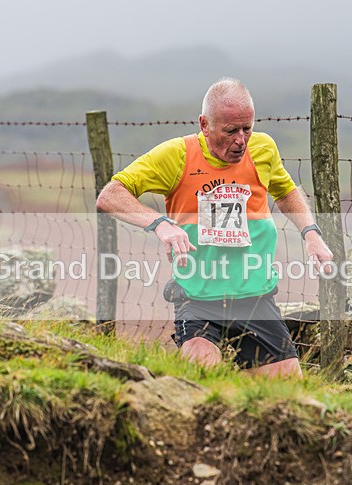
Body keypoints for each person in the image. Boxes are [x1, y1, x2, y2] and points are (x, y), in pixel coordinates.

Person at [96, 77, 333, 379]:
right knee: (200, 378)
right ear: (205, 125)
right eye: (231, 131)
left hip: (256, 298)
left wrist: (311, 234)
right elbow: (110, 196)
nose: (241, 140)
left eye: (247, 128)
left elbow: (285, 192)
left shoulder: (263, 149)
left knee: (288, 395)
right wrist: (159, 224)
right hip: (198, 299)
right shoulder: (177, 155)